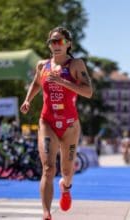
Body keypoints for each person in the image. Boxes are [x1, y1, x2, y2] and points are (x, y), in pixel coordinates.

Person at [20, 27, 93, 220]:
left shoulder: (76, 64)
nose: (56, 45)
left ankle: (66, 188)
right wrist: (28, 100)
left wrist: (62, 82)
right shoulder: (42, 66)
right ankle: (46, 212)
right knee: (48, 168)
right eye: (53, 42)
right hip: (48, 122)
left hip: (70, 125)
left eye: (60, 41)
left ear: (68, 44)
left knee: (67, 171)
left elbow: (88, 92)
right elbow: (36, 83)